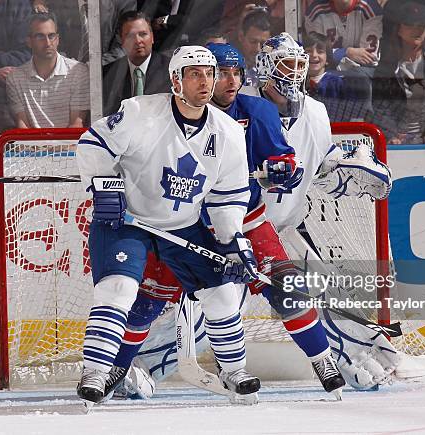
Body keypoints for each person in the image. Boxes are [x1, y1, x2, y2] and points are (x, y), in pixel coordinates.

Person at [91, 42, 348, 401]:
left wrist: (282, 169)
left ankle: (323, 361)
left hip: (245, 221)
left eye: (233, 73)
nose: (226, 81)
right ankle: (116, 368)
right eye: (217, 72)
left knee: (286, 287)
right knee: (146, 303)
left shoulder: (256, 112)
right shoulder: (168, 114)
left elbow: (287, 162)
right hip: (182, 227)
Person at [75, 45, 261, 405]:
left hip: (184, 225)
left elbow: (227, 197)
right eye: (195, 74)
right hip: (128, 221)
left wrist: (233, 239)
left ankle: (234, 370)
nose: (205, 81)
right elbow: (93, 145)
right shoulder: (139, 112)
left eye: (210, 74)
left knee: (222, 292)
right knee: (118, 290)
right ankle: (95, 372)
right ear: (176, 80)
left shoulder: (228, 133)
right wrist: (104, 185)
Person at [370, 1, 425, 144]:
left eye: (421, 26)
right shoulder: (386, 69)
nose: (416, 30)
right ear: (399, 29)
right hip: (397, 144)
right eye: (410, 25)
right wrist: (391, 135)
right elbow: (379, 108)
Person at [6, 12, 89, 129]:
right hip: (31, 146)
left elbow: (76, 125)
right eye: (40, 36)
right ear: (29, 41)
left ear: (58, 39)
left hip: (69, 145)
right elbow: (23, 126)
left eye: (51, 36)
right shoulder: (15, 78)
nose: (48, 43)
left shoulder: (78, 71)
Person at [102, 11, 170, 116]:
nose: (138, 41)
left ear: (152, 37)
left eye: (143, 34)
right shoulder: (108, 73)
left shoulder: (170, 70)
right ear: (121, 40)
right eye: (130, 36)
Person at [304, 0, 383, 73]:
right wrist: (346, 52)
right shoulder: (315, 11)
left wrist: (334, 55)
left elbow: (370, 58)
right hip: (328, 72)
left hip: (361, 73)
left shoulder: (369, 7)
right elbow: (315, 56)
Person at [235, 9, 272, 86]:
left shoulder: (274, 71)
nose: (258, 49)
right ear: (241, 37)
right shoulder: (230, 67)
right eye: (253, 41)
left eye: (263, 43)